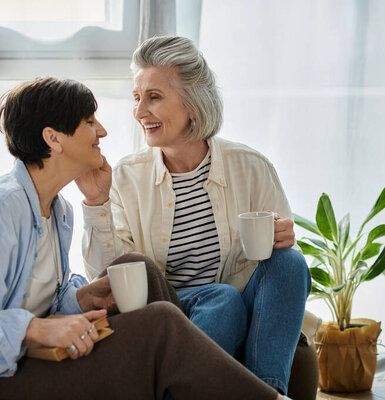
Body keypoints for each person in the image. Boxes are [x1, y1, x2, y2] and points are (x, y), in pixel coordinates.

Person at [0, 77, 286, 400]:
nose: (104, 130)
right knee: (161, 322)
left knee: (139, 270)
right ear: (53, 138)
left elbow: (34, 296)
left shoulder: (56, 210)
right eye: (90, 122)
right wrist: (36, 330)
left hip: (26, 359)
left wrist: (79, 299)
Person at [77, 36, 311, 396]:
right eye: (137, 98)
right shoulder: (125, 177)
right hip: (169, 315)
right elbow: (107, 276)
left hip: (238, 308)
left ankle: (268, 390)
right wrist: (96, 203)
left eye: (153, 97)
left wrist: (283, 236)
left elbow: (275, 271)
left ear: (193, 103)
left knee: (289, 265)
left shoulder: (251, 167)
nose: (139, 113)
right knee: (221, 301)